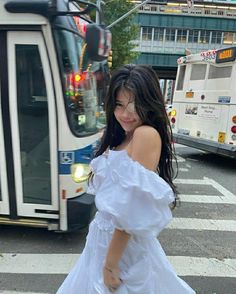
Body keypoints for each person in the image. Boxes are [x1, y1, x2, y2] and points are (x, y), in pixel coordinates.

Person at [57, 65, 196, 294]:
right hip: (104, 240)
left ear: (148, 104)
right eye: (119, 105)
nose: (125, 114)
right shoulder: (124, 135)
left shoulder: (145, 134)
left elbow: (131, 208)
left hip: (122, 249)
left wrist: (111, 265)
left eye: (134, 106)